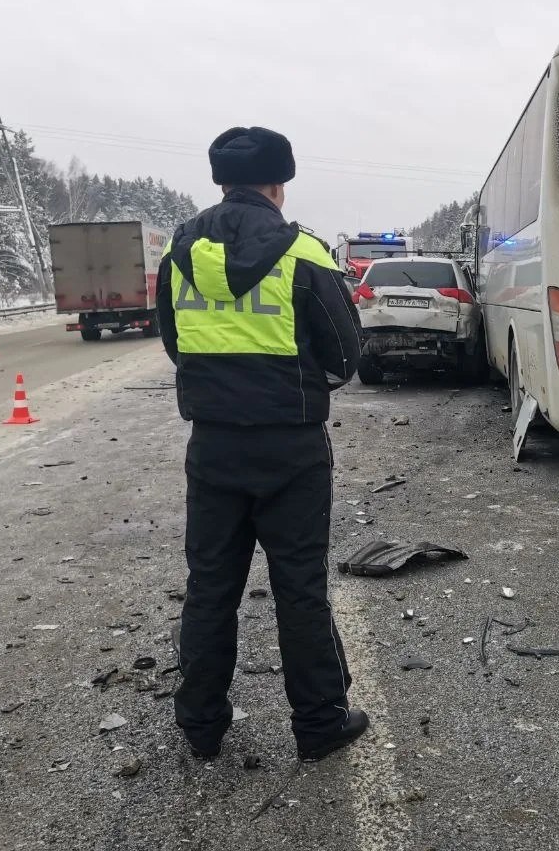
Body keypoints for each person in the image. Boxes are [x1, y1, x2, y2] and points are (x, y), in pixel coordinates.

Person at [155, 126, 367, 762]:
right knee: (299, 587)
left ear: (221, 180)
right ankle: (319, 725)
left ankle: (200, 724)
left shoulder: (178, 250)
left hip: (213, 447)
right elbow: (345, 355)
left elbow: (174, 344)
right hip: (291, 451)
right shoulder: (304, 252)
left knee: (210, 583)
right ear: (279, 183)